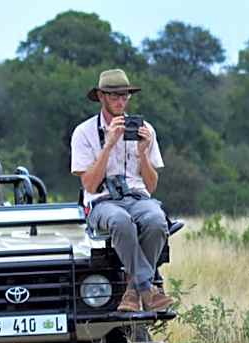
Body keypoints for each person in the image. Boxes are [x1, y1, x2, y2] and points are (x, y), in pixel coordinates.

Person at [70, 68, 173, 313]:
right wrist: (108, 145)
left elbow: (150, 186)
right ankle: (148, 288)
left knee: (158, 221)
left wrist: (142, 152)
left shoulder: (144, 128)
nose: (120, 101)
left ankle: (132, 291)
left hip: (138, 197)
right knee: (120, 221)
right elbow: (90, 185)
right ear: (102, 97)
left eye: (125, 96)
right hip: (103, 201)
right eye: (115, 96)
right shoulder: (83, 132)